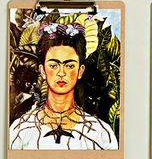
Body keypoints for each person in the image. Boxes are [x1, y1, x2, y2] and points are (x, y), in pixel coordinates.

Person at [9, 21, 118, 151]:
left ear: (80, 71)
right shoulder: (21, 130)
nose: (61, 73)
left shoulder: (101, 133)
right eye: (53, 65)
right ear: (43, 70)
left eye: (69, 65)